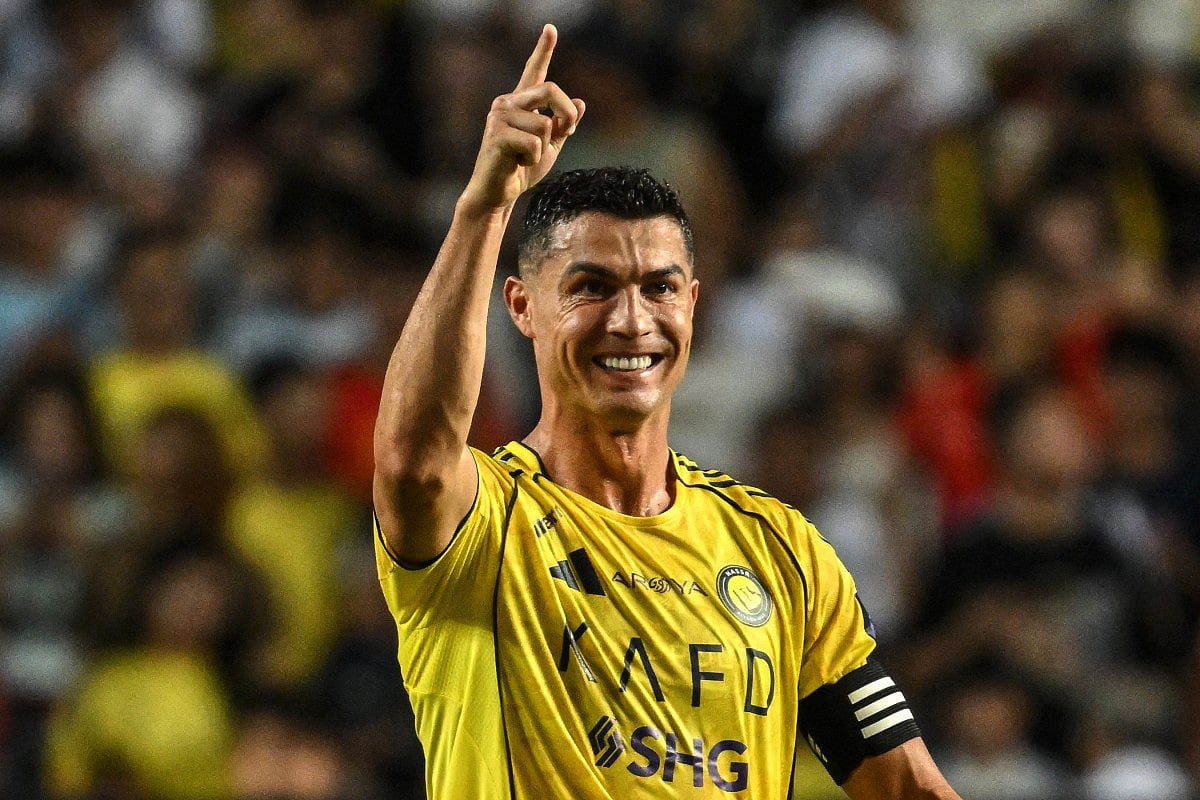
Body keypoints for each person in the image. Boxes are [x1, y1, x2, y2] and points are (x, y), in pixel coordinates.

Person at [372, 23, 962, 799]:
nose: (631, 321)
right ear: (522, 307)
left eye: (658, 287)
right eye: (591, 288)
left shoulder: (782, 551)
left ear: (691, 304)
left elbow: (908, 788)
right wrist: (483, 211)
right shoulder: (487, 523)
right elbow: (413, 462)